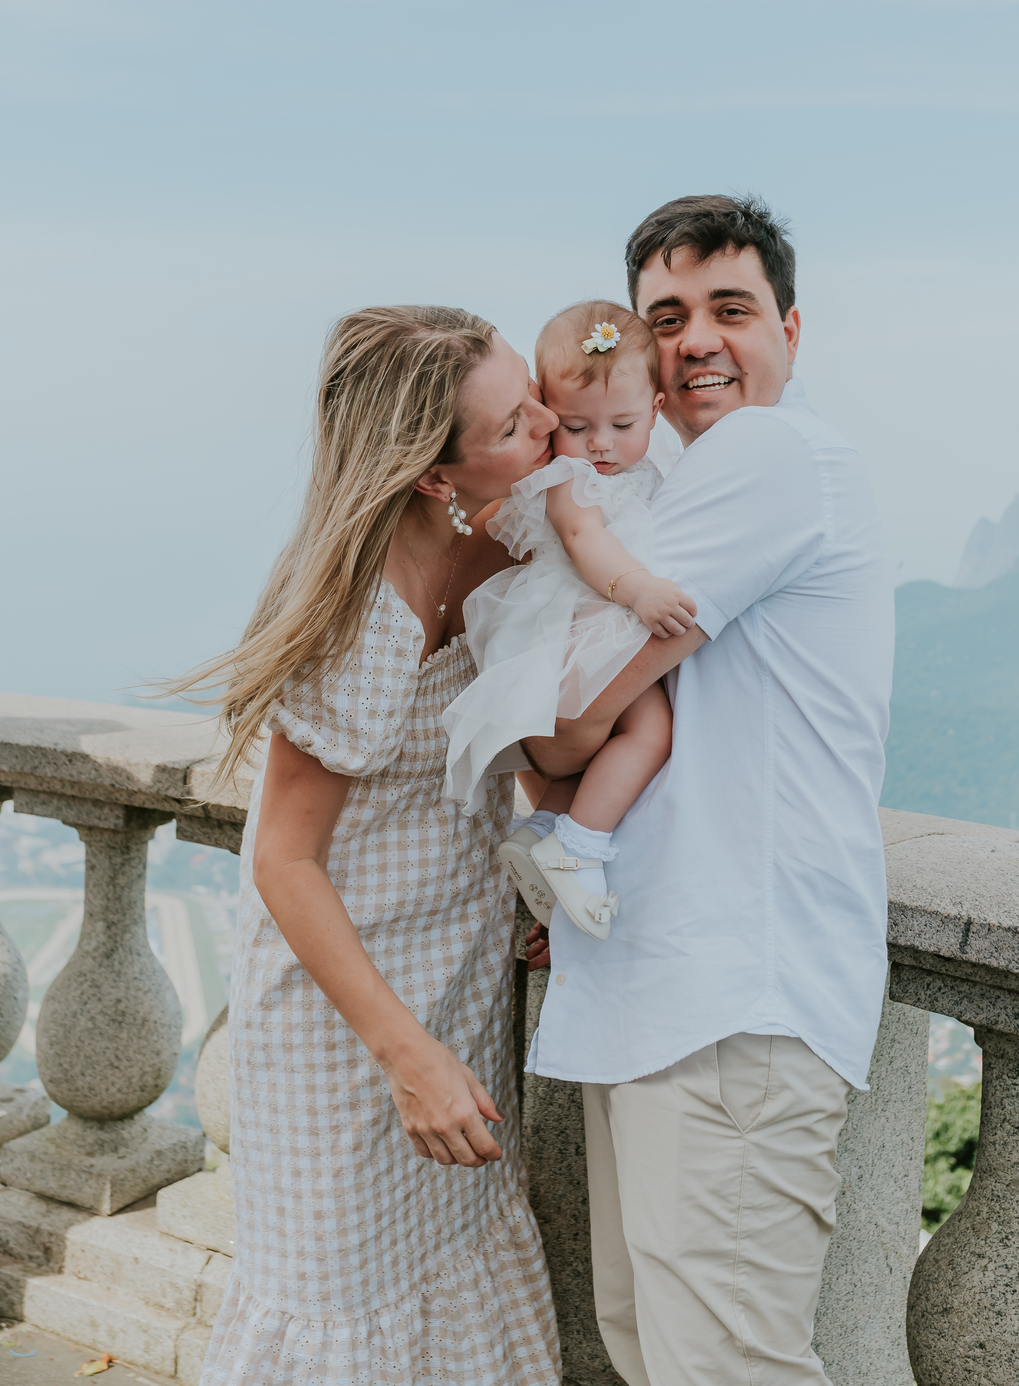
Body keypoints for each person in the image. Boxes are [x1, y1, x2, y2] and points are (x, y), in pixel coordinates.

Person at [522, 195, 895, 1386]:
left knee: (720, 1365)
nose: (695, 341)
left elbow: (570, 715)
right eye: (666, 317)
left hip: (732, 1001)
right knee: (661, 1354)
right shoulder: (677, 483)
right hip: (677, 990)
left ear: (791, 329)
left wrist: (535, 756)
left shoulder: (766, 453)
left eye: (730, 309)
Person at [180, 306, 562, 1385]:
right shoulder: (362, 618)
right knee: (337, 1306)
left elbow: (512, 747)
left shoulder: (505, 545)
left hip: (458, 985)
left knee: (453, 1265)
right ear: (435, 475)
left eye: (533, 396)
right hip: (345, 1031)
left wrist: (543, 882)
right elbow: (283, 860)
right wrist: (408, 1060)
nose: (548, 425)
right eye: (514, 422)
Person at [441, 299, 695, 939]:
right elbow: (583, 538)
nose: (600, 444)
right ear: (550, 414)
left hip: (596, 618)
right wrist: (635, 588)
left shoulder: (644, 469)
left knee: (607, 745)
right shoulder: (568, 477)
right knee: (651, 730)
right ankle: (579, 845)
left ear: (655, 410)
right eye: (577, 426)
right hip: (582, 616)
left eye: (622, 424)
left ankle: (544, 828)